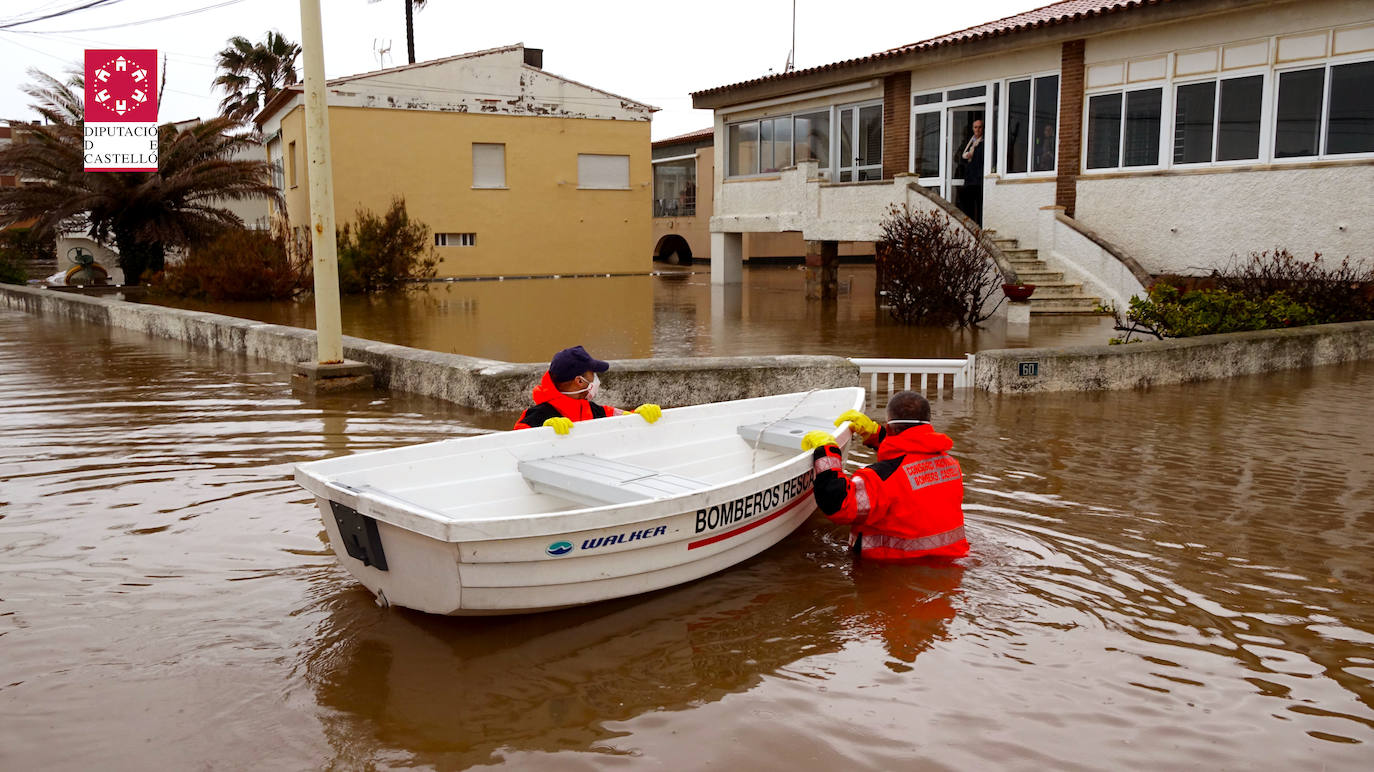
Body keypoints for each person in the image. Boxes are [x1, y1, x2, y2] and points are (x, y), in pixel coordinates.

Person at [800, 391, 969, 561]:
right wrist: (876, 435)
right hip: (951, 564)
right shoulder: (951, 464)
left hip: (893, 569)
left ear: (890, 427)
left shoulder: (881, 478)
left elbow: (838, 504)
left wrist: (826, 451)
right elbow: (911, 453)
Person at [513, 345, 661, 434]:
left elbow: (622, 419)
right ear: (579, 381)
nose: (596, 380)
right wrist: (542, 432)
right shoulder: (537, 416)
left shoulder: (594, 410)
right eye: (593, 375)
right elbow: (513, 445)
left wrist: (640, 415)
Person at [957, 119, 985, 226]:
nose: (977, 129)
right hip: (969, 179)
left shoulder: (984, 143)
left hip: (978, 180)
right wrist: (965, 157)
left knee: (979, 206)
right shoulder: (969, 142)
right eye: (975, 127)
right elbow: (959, 157)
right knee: (968, 205)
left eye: (979, 127)